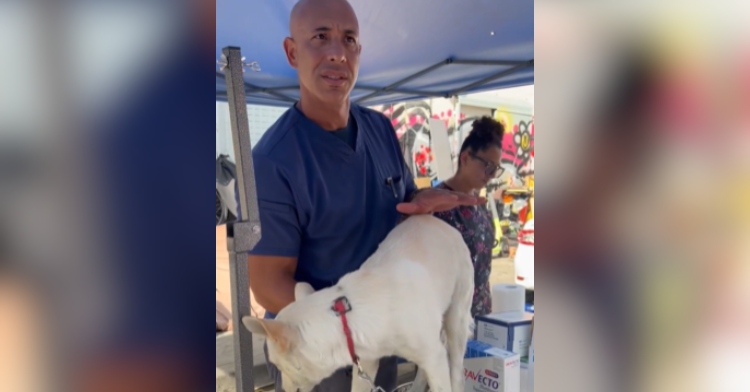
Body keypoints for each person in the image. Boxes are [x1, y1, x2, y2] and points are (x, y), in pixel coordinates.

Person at [242, 0, 484, 390]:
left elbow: (401, 207)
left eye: (349, 39)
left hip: (377, 336)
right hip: (313, 349)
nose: (337, 51)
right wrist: (343, 326)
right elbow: (268, 283)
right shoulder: (273, 162)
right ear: (291, 52)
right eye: (320, 37)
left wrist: (420, 201)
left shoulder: (380, 130)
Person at [433, 116, 505, 318]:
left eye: (496, 169)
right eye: (488, 166)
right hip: (445, 322)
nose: (491, 174)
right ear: (465, 158)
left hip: (480, 318)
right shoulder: (436, 205)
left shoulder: (480, 206)